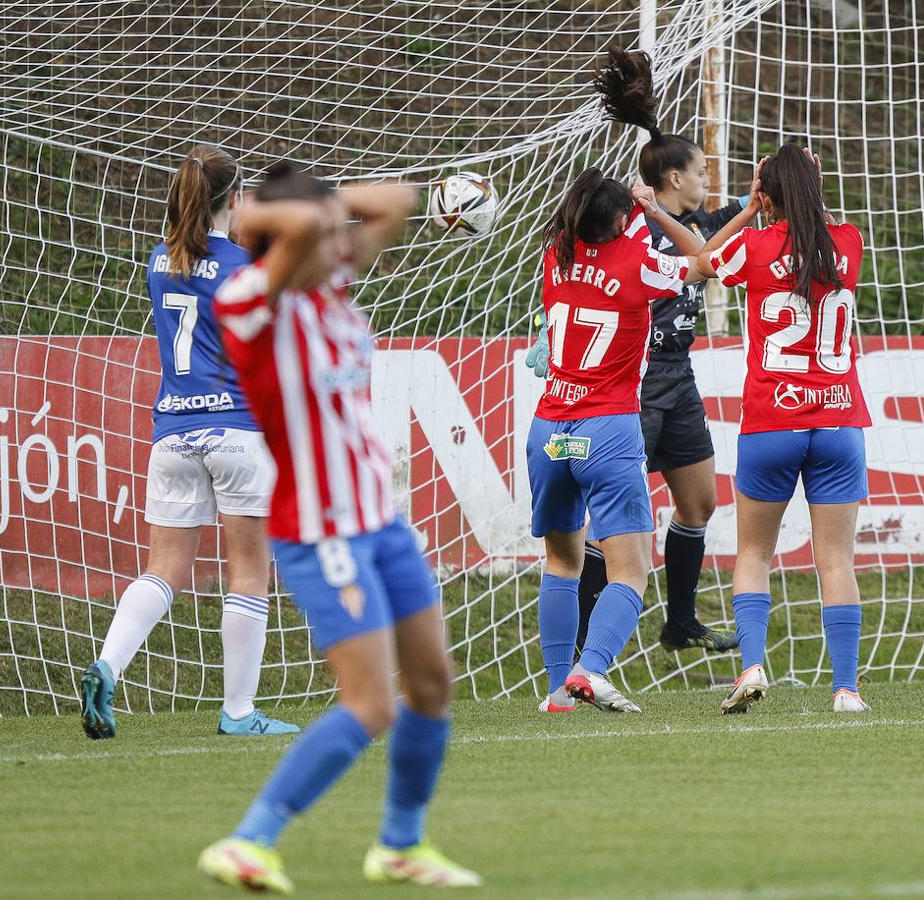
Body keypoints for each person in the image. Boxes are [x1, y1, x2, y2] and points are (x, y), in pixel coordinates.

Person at [196, 164, 480, 892]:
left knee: (432, 682)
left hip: (378, 520)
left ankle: (400, 845)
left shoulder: (327, 284)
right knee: (371, 703)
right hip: (319, 528)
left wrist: (315, 204)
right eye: (326, 232)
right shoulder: (247, 299)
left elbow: (400, 201)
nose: (344, 242)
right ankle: (249, 841)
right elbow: (295, 231)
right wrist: (287, 214)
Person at [78, 146, 298, 739]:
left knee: (165, 568)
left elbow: (200, 249)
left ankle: (108, 664)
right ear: (235, 199)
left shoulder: (159, 260)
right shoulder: (246, 268)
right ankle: (238, 712)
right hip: (236, 432)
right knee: (249, 572)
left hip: (173, 433)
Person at [527, 47, 740, 654]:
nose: (706, 181)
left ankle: (679, 621)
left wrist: (751, 207)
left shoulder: (574, 246)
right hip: (626, 391)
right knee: (613, 531)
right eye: (701, 172)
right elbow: (705, 260)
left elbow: (711, 240)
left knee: (697, 501)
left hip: (668, 378)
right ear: (672, 179)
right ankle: (587, 650)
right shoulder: (632, 240)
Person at [698, 144, 873, 715]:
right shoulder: (848, 242)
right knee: (837, 560)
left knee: (753, 552)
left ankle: (751, 666)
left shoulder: (752, 246)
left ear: (766, 193)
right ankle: (845, 689)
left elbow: (703, 261)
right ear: (817, 187)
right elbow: (815, 228)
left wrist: (749, 210)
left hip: (772, 420)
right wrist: (803, 187)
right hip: (839, 418)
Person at [528, 168, 704, 714]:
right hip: (606, 428)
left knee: (562, 562)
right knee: (631, 571)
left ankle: (559, 690)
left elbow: (597, 236)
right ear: (622, 222)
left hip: (549, 431)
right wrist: (655, 213)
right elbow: (702, 259)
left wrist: (627, 209)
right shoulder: (638, 264)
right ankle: (592, 668)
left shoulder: (554, 255)